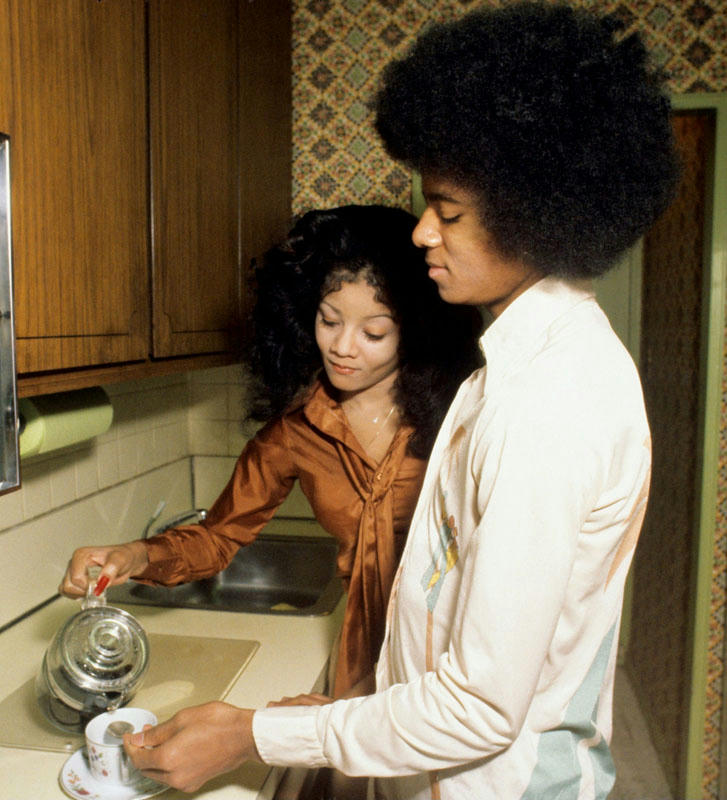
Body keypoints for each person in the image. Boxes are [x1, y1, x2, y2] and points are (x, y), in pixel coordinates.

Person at [120, 3, 680, 798]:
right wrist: (339, 713)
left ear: (531, 214)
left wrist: (253, 733)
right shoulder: (515, 371)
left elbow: (478, 709)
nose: (421, 233)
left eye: (447, 211)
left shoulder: (546, 406)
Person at [60, 204, 483, 703]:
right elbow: (218, 537)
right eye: (329, 321)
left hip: (460, 651)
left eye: (373, 333)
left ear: (414, 330)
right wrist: (135, 555)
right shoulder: (295, 431)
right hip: (365, 652)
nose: (343, 347)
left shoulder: (464, 411)